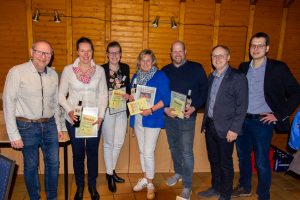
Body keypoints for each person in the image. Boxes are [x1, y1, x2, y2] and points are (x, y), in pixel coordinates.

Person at [232, 32, 300, 200]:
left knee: (262, 162)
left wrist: (279, 114)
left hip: (262, 122)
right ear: (249, 48)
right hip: (242, 121)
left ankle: (264, 195)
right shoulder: (243, 67)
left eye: (260, 45)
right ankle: (245, 187)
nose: (256, 49)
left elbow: (296, 92)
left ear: (267, 48)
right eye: (253, 45)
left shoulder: (278, 68)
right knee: (243, 157)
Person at [2, 40, 63, 200]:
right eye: (40, 52)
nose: (44, 57)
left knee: (54, 164)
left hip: (49, 125)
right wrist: (13, 134)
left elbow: (55, 103)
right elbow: (9, 102)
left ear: (51, 55)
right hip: (26, 126)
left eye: (48, 53)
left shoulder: (53, 75)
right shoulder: (17, 72)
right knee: (30, 166)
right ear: (32, 52)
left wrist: (58, 127)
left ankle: (52, 197)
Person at [59, 37, 108, 200]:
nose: (86, 54)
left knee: (92, 152)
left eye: (89, 50)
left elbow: (103, 94)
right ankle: (80, 185)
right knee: (78, 154)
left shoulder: (99, 71)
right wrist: (69, 110)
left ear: (92, 51)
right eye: (82, 50)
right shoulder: (68, 70)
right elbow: (60, 95)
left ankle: (92, 185)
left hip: (93, 118)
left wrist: (101, 116)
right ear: (77, 52)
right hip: (75, 118)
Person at [197, 45, 248, 200]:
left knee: (225, 163)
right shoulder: (211, 76)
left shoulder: (238, 77)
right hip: (211, 125)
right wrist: (206, 123)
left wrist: (234, 129)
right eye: (214, 56)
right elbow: (210, 101)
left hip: (227, 129)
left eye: (221, 55)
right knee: (213, 159)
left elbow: (242, 105)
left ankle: (225, 194)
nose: (217, 59)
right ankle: (216, 187)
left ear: (228, 57)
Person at [162, 40, 208, 200]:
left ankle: (187, 186)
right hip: (170, 117)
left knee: (186, 151)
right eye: (174, 51)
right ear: (170, 53)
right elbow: (160, 94)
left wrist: (194, 106)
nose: (177, 54)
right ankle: (179, 172)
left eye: (180, 51)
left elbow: (205, 91)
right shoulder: (165, 70)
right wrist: (165, 109)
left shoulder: (196, 68)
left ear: (185, 51)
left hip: (188, 117)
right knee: (174, 147)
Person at [130, 49, 171, 200]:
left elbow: (166, 99)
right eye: (143, 60)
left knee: (148, 152)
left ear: (153, 62)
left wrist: (151, 109)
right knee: (142, 151)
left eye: (148, 60)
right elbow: (133, 95)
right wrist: (130, 98)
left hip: (152, 118)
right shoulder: (135, 77)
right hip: (139, 119)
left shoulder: (160, 76)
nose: (145, 63)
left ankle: (151, 184)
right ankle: (146, 178)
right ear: (139, 62)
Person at [102, 41, 130, 192]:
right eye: (111, 53)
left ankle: (111, 171)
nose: (114, 55)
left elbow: (129, 87)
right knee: (108, 143)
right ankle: (109, 175)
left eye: (116, 52)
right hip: (107, 110)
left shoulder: (125, 68)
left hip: (121, 110)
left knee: (118, 142)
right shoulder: (101, 69)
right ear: (107, 55)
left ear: (120, 54)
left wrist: (128, 95)